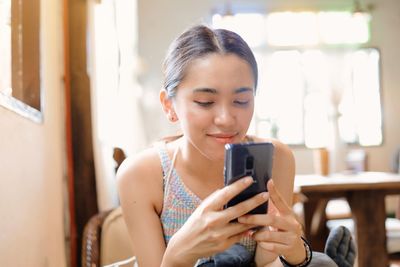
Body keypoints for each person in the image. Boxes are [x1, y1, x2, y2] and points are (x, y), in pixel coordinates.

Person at [117, 24, 333, 267]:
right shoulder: (141, 175)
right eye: (205, 102)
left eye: (241, 101)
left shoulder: (276, 158)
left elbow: (267, 262)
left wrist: (294, 253)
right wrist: (179, 254)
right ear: (169, 105)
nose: (226, 119)